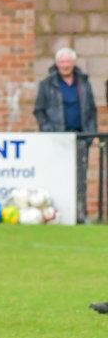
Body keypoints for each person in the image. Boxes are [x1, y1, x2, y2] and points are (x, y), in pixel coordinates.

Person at [33, 47, 98, 223]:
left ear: (73, 63)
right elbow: (39, 111)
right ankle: (55, 215)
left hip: (80, 137)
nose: (65, 65)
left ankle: (81, 214)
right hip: (57, 138)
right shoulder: (47, 84)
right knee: (57, 176)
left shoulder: (83, 83)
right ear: (57, 63)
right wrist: (48, 131)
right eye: (62, 62)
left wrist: (90, 134)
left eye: (68, 61)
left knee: (80, 178)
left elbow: (92, 110)